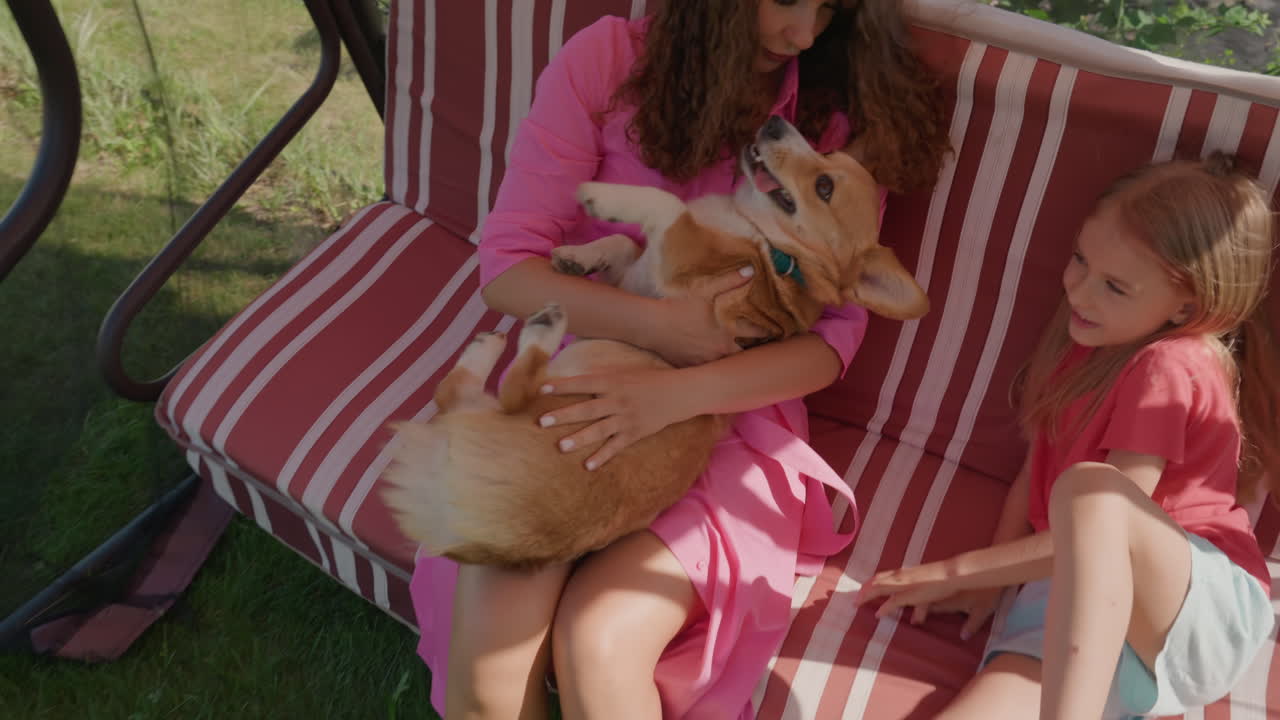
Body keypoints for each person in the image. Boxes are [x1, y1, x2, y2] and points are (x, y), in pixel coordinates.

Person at [407, 1, 950, 717]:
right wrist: (664, 329)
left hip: (730, 416)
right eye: (789, 1)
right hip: (591, 376)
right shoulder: (606, 63)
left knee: (600, 642)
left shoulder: (829, 119)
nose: (804, 36)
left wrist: (677, 393)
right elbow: (510, 271)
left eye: (827, 8)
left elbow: (829, 344)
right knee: (489, 688)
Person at [855, 152, 1280, 719]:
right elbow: (1038, 473)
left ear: (1188, 304)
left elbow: (1106, 515)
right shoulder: (1083, 348)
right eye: (1080, 260)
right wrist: (992, 579)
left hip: (1190, 603)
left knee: (1092, 491)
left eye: (1115, 287)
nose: (1079, 292)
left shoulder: (1173, 365)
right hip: (1076, 607)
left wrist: (957, 571)